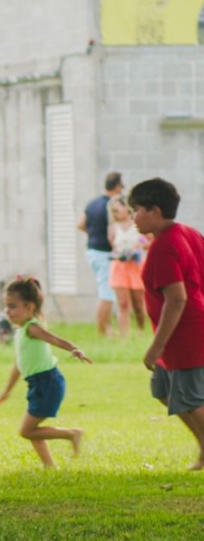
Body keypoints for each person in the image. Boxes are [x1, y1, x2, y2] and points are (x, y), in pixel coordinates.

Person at [129, 178, 204, 470]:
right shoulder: (190, 233)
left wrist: (155, 347)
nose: (133, 217)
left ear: (154, 211)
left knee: (191, 399)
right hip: (180, 333)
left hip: (184, 334)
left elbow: (176, 299)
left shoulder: (165, 246)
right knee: (163, 390)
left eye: (136, 210)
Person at [0, 277, 90, 468]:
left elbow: (53, 339)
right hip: (39, 384)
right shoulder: (21, 332)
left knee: (27, 431)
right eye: (6, 306)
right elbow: (18, 365)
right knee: (32, 430)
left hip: (48, 383)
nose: (7, 311)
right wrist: (6, 391)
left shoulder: (32, 328)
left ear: (29, 307)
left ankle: (72, 434)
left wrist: (73, 348)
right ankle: (49, 466)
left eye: (13, 306)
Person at [77, 172, 124, 336]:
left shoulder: (92, 203)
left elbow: (81, 224)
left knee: (104, 290)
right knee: (107, 293)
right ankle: (101, 331)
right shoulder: (111, 206)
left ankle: (108, 328)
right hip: (105, 252)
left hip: (91, 250)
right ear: (117, 186)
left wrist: (93, 234)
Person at [108, 195, 148, 337]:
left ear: (127, 208)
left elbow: (150, 241)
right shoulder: (113, 228)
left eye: (118, 208)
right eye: (114, 210)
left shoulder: (137, 225)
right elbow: (113, 246)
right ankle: (124, 337)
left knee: (138, 304)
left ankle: (140, 331)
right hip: (119, 267)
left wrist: (140, 247)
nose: (116, 212)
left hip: (136, 266)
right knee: (123, 303)